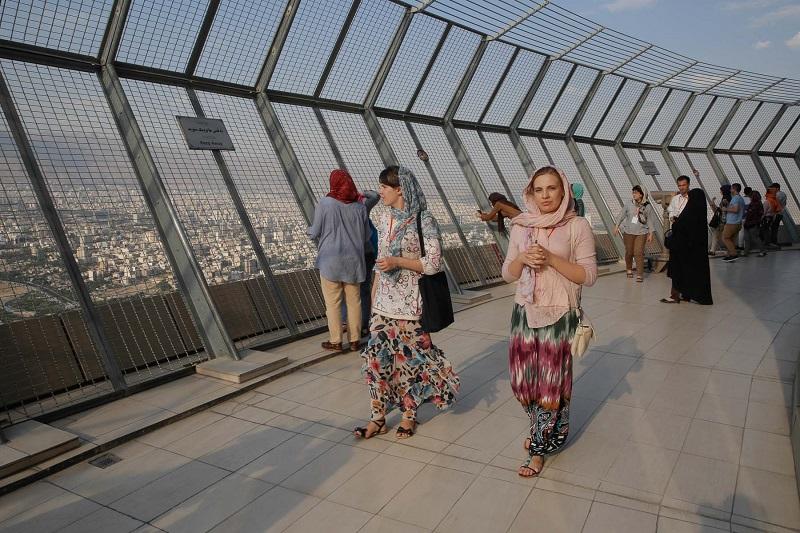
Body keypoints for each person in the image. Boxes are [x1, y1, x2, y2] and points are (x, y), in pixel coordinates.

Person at [502, 166, 597, 478]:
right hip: (524, 311)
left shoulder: (577, 226)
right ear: (531, 193)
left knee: (549, 385)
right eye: (539, 189)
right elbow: (507, 274)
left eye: (551, 188)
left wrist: (552, 259)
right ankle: (543, 427)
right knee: (522, 382)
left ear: (563, 190)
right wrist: (522, 259)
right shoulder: (521, 225)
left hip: (558, 314)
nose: (545, 195)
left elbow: (589, 276)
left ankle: (539, 447)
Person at [355, 165, 460, 440]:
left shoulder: (424, 220)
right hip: (383, 306)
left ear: (400, 189)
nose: (380, 192)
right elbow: (380, 264)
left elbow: (433, 263)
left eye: (384, 187)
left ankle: (408, 416)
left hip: (412, 307)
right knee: (376, 362)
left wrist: (398, 262)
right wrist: (373, 303)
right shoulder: (384, 218)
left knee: (410, 365)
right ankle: (377, 417)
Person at [307, 169, 371, 352]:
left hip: (331, 262)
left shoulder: (325, 203)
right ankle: (354, 340)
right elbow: (366, 236)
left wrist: (309, 231)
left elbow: (315, 231)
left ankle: (336, 341)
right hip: (354, 262)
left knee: (333, 303)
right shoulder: (360, 207)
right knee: (354, 301)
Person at [661, 188, 713, 305]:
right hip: (695, 251)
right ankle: (690, 295)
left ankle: (675, 295)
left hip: (681, 250)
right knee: (693, 273)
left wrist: (676, 223)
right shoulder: (700, 214)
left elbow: (679, 228)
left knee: (678, 272)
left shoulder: (689, 213)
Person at [341, 190, 380, 337]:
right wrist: (361, 193)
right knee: (364, 289)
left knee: (345, 287)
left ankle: (345, 321)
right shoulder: (361, 207)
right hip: (366, 251)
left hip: (347, 253)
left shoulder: (336, 208)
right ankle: (363, 324)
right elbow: (375, 196)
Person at [613, 185, 655, 282]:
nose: (634, 194)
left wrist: (651, 233)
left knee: (638, 252)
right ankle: (629, 268)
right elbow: (621, 215)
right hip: (628, 232)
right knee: (629, 252)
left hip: (642, 232)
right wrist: (616, 226)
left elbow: (650, 220)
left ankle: (640, 274)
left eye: (636, 193)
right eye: (633, 192)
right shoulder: (629, 204)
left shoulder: (647, 206)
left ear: (641, 194)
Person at [711, 183, 744, 262]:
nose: (730, 190)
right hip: (738, 222)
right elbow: (735, 208)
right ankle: (730, 255)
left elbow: (736, 210)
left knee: (725, 238)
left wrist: (725, 209)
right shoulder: (740, 198)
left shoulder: (735, 198)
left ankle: (733, 254)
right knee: (731, 239)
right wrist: (728, 204)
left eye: (731, 188)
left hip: (732, 222)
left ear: (734, 189)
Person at [742, 190, 767, 258]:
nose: (749, 197)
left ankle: (761, 251)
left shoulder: (755, 204)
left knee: (752, 238)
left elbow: (751, 214)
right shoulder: (758, 204)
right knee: (749, 238)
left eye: (750, 196)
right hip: (751, 223)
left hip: (751, 224)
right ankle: (746, 252)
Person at [709, 185, 730, 256]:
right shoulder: (729, 198)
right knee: (717, 234)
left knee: (717, 234)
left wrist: (713, 204)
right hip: (725, 220)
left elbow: (721, 210)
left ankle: (713, 250)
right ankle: (712, 250)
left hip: (722, 220)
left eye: (721, 190)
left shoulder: (725, 199)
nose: (720, 192)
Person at [769, 183, 787, 247]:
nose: (771, 189)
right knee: (775, 228)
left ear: (777, 188)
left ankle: (773, 242)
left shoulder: (778, 194)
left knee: (773, 228)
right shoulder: (783, 194)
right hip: (779, 213)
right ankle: (774, 242)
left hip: (776, 213)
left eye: (773, 188)